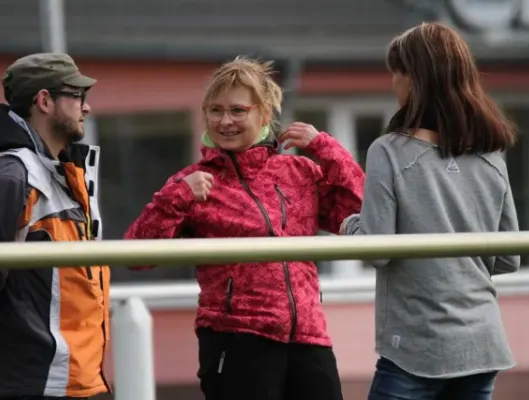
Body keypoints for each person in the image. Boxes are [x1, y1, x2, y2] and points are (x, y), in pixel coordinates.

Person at [124, 56, 365, 400]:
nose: (225, 121)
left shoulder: (299, 172)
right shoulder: (192, 182)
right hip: (236, 340)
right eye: (215, 110)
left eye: (238, 111)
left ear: (264, 114)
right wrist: (175, 197)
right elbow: (137, 255)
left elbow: (358, 212)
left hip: (309, 336)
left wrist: (326, 147)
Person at [339, 22, 520, 400]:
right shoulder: (491, 155)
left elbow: (377, 251)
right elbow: (508, 258)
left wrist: (351, 223)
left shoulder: (389, 150)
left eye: (397, 72)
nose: (393, 82)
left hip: (414, 348)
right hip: (482, 344)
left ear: (416, 79)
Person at [0, 53, 111, 400]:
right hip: (34, 382)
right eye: (77, 96)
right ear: (44, 101)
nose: (86, 107)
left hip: (76, 377)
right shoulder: (12, 176)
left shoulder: (59, 171)